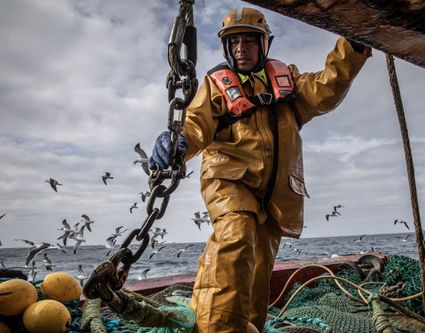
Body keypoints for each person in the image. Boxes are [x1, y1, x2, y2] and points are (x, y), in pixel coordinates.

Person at [149, 7, 371, 332]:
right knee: (236, 235)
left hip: (275, 198)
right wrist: (178, 142)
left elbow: (326, 87)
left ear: (264, 44)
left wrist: (353, 46)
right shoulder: (215, 85)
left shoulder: (288, 80)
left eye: (249, 41)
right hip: (229, 182)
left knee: (258, 270)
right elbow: (195, 123)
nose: (241, 49)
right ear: (226, 47)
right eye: (234, 42)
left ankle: (248, 326)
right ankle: (214, 328)